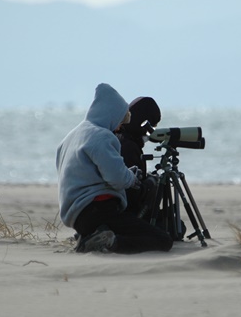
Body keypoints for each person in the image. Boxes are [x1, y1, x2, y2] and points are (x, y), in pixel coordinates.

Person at [56, 83, 173, 254]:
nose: (119, 126)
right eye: (120, 120)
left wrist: (128, 174)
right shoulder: (101, 135)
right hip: (98, 210)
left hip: (76, 216)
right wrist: (133, 179)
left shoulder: (72, 136)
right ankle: (110, 243)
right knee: (163, 240)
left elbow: (95, 173)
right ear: (111, 114)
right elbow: (117, 178)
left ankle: (93, 236)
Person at [115, 96, 162, 216]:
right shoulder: (129, 147)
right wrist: (150, 184)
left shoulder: (118, 138)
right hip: (125, 212)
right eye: (152, 126)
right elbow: (131, 193)